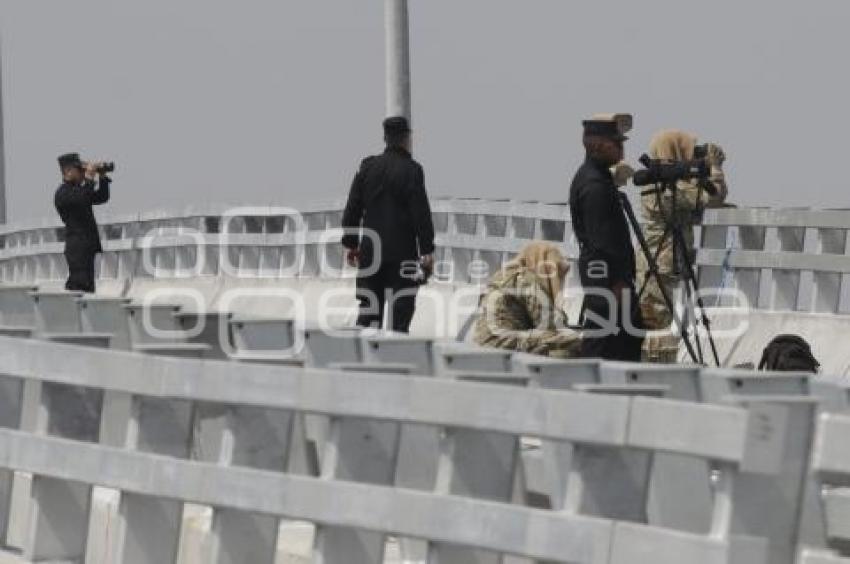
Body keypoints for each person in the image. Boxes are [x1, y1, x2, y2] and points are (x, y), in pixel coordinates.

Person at [635, 130, 728, 356]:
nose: (691, 155)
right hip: (661, 264)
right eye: (686, 150)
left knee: (657, 321)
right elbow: (713, 197)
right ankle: (653, 367)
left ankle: (654, 363)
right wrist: (715, 168)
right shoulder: (665, 186)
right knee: (656, 323)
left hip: (661, 262)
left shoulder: (662, 182)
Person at [341, 116, 435, 333]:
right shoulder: (412, 170)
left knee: (369, 312)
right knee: (401, 313)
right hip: (403, 254)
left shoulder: (367, 168)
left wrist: (351, 243)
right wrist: (427, 249)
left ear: (385, 138)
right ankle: (397, 358)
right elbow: (420, 213)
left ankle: (364, 360)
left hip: (370, 252)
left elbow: (352, 209)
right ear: (406, 138)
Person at [569, 114, 644, 361]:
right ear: (599, 146)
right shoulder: (595, 186)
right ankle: (589, 389)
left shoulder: (597, 178)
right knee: (604, 342)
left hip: (604, 277)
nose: (622, 150)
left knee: (624, 337)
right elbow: (601, 242)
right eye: (617, 144)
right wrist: (616, 283)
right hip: (607, 279)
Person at [473, 242, 581, 358]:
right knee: (571, 341)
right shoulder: (526, 280)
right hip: (503, 344)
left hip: (486, 342)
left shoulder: (502, 275)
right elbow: (550, 324)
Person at [54, 153, 111, 293]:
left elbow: (101, 197)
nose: (82, 173)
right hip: (77, 248)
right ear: (68, 171)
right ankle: (72, 312)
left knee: (87, 286)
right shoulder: (63, 194)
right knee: (80, 284)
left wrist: (102, 176)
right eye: (79, 169)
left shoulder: (78, 191)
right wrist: (90, 177)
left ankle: (77, 312)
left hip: (86, 246)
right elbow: (82, 198)